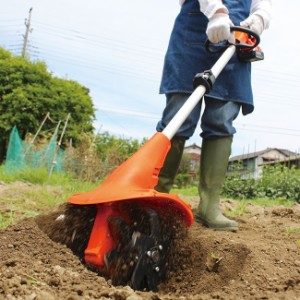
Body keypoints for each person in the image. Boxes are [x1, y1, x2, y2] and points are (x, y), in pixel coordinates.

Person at [155, 0, 272, 231]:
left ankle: (209, 207)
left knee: (221, 122)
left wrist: (259, 18)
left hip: (236, 44)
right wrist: (216, 11)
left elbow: (264, 4)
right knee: (178, 119)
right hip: (194, 34)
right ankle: (154, 196)